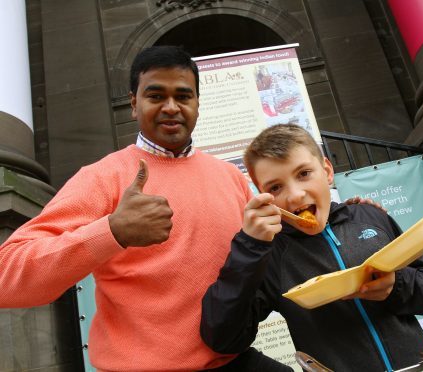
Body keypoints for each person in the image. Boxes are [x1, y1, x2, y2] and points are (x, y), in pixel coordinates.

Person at [0, 45, 292, 371]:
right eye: (155, 96)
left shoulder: (228, 176)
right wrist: (112, 231)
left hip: (231, 359)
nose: (171, 107)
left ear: (197, 104)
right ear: (133, 104)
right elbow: (6, 276)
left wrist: (349, 216)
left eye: (183, 96)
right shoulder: (103, 178)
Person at [201, 124, 423, 371]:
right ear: (263, 196)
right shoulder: (270, 255)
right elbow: (224, 338)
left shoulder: (368, 216)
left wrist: (394, 286)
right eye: (275, 187)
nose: (296, 195)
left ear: (327, 171)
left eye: (303, 174)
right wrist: (249, 247)